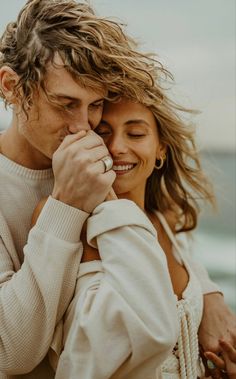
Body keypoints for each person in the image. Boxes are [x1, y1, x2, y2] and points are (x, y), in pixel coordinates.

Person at [0, 0, 235, 378]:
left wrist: (208, 294)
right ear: (11, 86)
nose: (84, 127)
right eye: (65, 104)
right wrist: (64, 204)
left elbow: (155, 228)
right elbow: (9, 351)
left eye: (94, 105)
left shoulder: (107, 165)